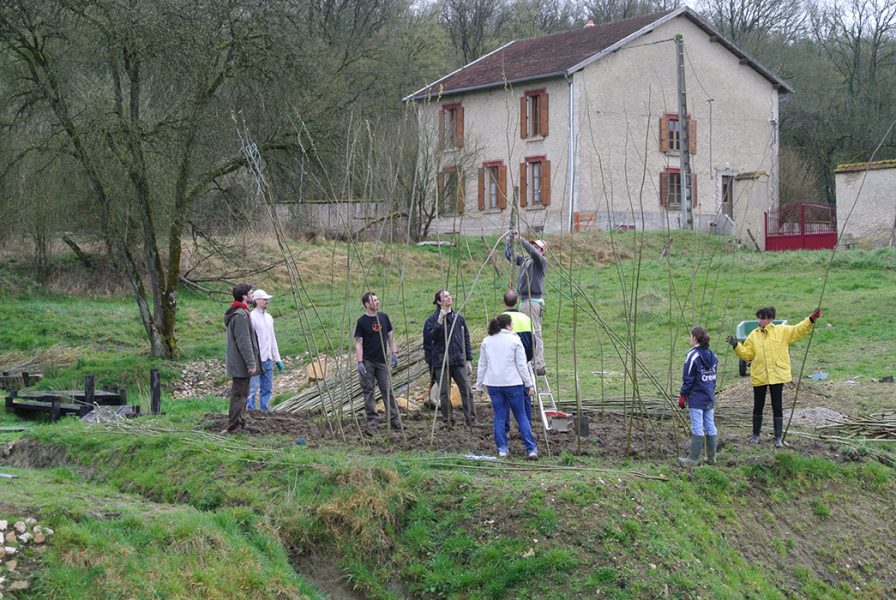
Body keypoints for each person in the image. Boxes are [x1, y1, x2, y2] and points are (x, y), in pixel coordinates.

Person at [726, 306, 822, 448]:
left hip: (777, 375)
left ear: (771, 319)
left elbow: (798, 330)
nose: (761, 320)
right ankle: (755, 435)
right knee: (758, 406)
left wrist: (811, 319)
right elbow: (747, 355)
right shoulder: (753, 335)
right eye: (759, 317)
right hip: (760, 375)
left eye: (764, 318)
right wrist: (736, 346)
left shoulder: (782, 331)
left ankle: (778, 438)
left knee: (778, 406)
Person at [475, 314, 538, 459]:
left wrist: (479, 386)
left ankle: (502, 449)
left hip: (494, 384)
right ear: (509, 325)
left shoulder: (487, 341)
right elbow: (522, 365)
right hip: (513, 383)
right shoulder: (515, 340)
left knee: (499, 416)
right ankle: (531, 449)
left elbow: (482, 365)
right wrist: (529, 384)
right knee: (521, 416)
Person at [424, 290, 475, 426]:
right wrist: (440, 320)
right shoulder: (431, 320)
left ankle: (471, 419)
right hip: (441, 362)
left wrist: (468, 359)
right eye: (445, 297)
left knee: (466, 390)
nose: (449, 298)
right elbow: (431, 339)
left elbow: (466, 338)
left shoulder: (459, 318)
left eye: (449, 295)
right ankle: (448, 420)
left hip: (458, 360)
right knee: (444, 394)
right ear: (439, 302)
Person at [354, 292, 402, 431]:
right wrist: (360, 362)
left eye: (377, 299)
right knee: (368, 391)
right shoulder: (361, 321)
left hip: (382, 362)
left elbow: (390, 337)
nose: (377, 302)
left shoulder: (383, 317)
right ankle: (372, 420)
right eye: (373, 300)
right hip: (368, 361)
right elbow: (359, 343)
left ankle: (394, 419)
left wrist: (394, 353)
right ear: (367, 304)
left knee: (387, 390)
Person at [505, 231, 548, 375]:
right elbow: (510, 257)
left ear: (541, 250)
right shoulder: (525, 260)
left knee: (535, 331)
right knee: (526, 331)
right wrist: (510, 241)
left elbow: (534, 253)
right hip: (525, 300)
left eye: (536, 245)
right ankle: (528, 359)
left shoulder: (541, 261)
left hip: (533, 301)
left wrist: (521, 240)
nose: (532, 247)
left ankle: (539, 363)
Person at [222, 283, 261, 434]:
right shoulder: (239, 315)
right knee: (239, 395)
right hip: (240, 364)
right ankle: (234, 426)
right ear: (244, 296)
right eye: (251, 292)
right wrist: (251, 363)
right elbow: (244, 342)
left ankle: (241, 423)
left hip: (241, 363)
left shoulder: (242, 313)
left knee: (243, 394)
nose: (253, 294)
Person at [677, 327, 719, 466]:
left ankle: (693, 459)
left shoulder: (692, 355)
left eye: (690, 336)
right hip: (709, 396)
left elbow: (688, 378)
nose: (689, 339)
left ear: (694, 338)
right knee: (710, 425)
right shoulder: (713, 355)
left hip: (696, 397)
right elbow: (713, 378)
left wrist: (683, 395)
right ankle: (711, 458)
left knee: (697, 426)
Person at [501, 289, 534, 429]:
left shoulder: (500, 319)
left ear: (504, 302)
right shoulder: (526, 318)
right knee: (525, 394)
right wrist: (528, 359)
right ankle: (526, 426)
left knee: (505, 398)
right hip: (524, 363)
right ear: (517, 302)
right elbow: (533, 342)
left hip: (506, 366)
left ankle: (506, 428)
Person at [247, 289, 283, 411]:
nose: (267, 301)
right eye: (264, 299)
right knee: (252, 387)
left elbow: (272, 339)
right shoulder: (251, 317)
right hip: (256, 359)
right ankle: (250, 410)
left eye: (267, 299)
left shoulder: (269, 318)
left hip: (268, 359)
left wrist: (277, 358)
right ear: (256, 301)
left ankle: (265, 410)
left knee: (267, 388)